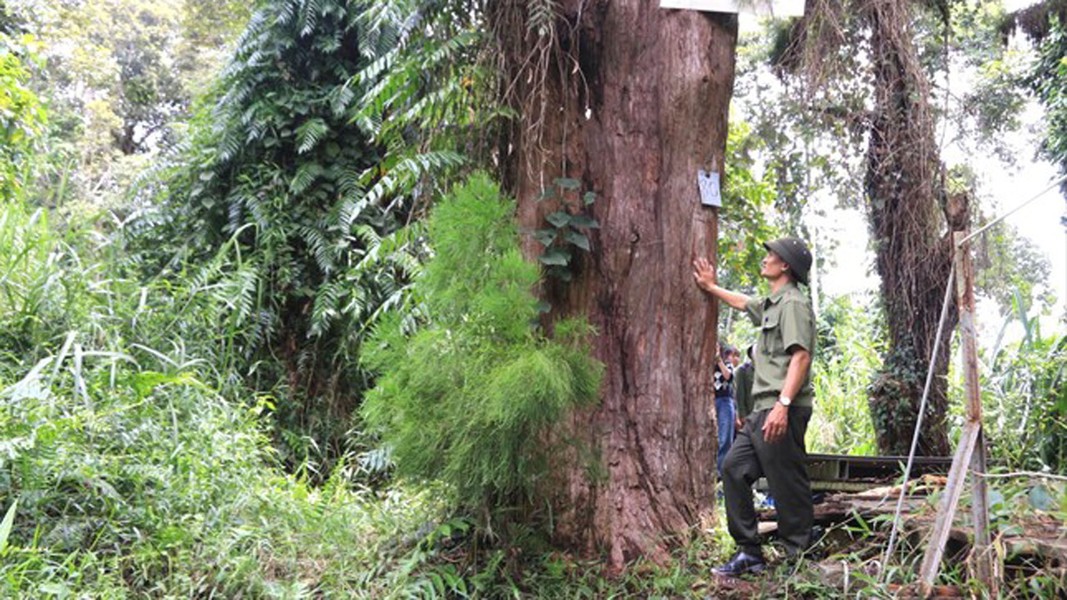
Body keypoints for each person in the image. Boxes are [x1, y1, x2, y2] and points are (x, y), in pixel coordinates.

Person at [693, 237, 816, 577]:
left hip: (781, 406)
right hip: (763, 409)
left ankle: (799, 558)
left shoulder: (793, 304)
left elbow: (801, 356)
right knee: (733, 468)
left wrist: (783, 405)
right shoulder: (773, 303)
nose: (766, 259)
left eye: (771, 255)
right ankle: (750, 552)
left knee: (785, 480)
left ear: (785, 265)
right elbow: (744, 302)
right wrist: (711, 287)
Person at [714, 344, 739, 474]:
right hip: (712, 400)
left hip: (724, 401)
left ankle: (721, 473)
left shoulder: (726, 364)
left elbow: (728, 377)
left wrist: (719, 360)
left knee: (725, 438)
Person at [733, 345, 755, 432]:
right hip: (749, 414)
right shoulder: (743, 370)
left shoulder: (766, 370)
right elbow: (739, 394)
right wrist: (742, 415)